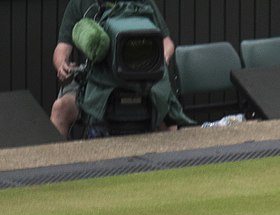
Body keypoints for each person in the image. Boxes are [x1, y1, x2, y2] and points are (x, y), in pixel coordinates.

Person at [50, 0, 190, 138]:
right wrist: (62, 64)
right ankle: (57, 159)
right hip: (94, 80)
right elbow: (62, 47)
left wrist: (157, 62)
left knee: (168, 115)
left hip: (143, 79)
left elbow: (167, 43)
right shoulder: (79, 3)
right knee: (60, 109)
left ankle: (173, 159)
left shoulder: (145, 2)